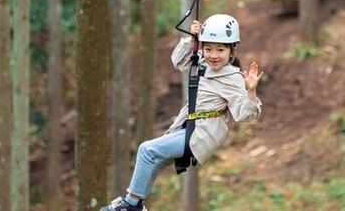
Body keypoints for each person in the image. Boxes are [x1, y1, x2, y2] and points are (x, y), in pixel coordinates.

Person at [101, 14, 263, 211]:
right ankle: (137, 204)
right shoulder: (203, 64)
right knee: (155, 159)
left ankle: (131, 204)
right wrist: (192, 39)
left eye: (220, 49)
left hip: (203, 132)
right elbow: (178, 60)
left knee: (146, 150)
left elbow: (244, 115)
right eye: (208, 48)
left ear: (232, 51)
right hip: (189, 126)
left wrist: (251, 91)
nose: (213, 55)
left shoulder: (232, 77)